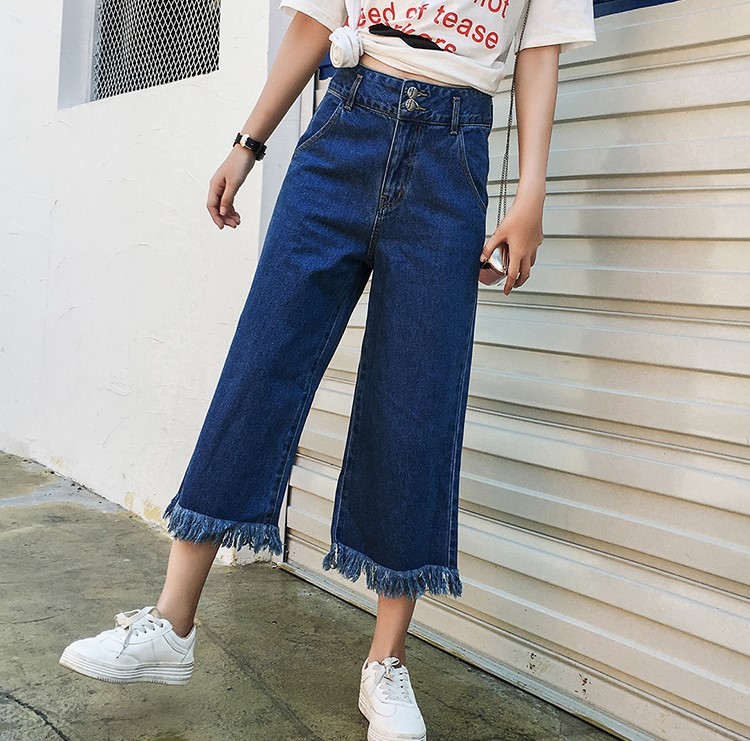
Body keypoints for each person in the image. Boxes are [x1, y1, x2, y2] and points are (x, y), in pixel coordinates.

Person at [59, 1, 596, 739]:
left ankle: (386, 663)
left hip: (454, 152)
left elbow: (538, 52)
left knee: (418, 400)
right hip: (347, 121)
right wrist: (248, 144)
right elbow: (316, 18)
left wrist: (531, 191)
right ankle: (172, 622)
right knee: (262, 361)